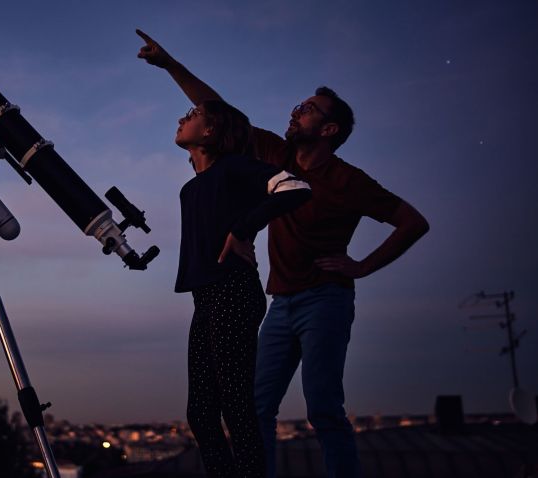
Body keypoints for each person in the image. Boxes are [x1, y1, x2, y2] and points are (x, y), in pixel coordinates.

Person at [137, 30, 429, 478]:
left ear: (329, 130)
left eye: (308, 109)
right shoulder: (278, 154)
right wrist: (170, 64)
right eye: (298, 106)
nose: (296, 111)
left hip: (325, 298)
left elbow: (413, 222)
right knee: (255, 407)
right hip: (279, 300)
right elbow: (221, 114)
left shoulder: (350, 181)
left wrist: (362, 266)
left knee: (324, 407)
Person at [172, 98, 310, 478]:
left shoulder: (235, 167)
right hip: (207, 298)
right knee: (200, 412)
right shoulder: (191, 189)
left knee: (236, 404)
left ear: (212, 130)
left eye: (194, 115)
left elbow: (296, 187)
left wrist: (243, 228)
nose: (183, 118)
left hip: (234, 292)